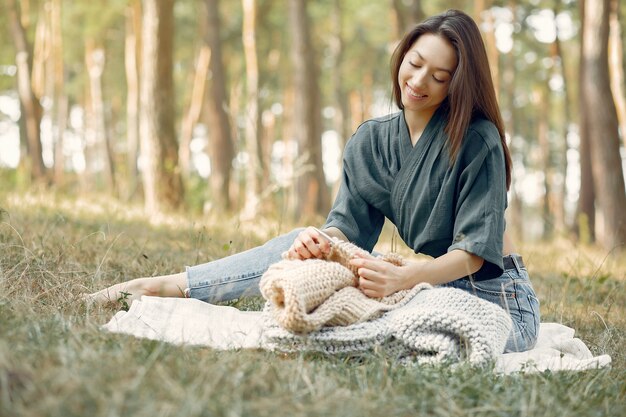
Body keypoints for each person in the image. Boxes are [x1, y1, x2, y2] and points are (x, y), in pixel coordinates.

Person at [88, 9, 540, 353]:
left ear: (457, 84)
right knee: (303, 244)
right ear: (402, 55)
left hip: (493, 299)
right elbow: (347, 231)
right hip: (417, 281)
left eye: (439, 77)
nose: (418, 81)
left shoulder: (478, 140)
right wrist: (320, 244)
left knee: (379, 326)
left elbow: (474, 254)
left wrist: (407, 277)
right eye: (414, 63)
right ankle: (168, 286)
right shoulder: (369, 142)